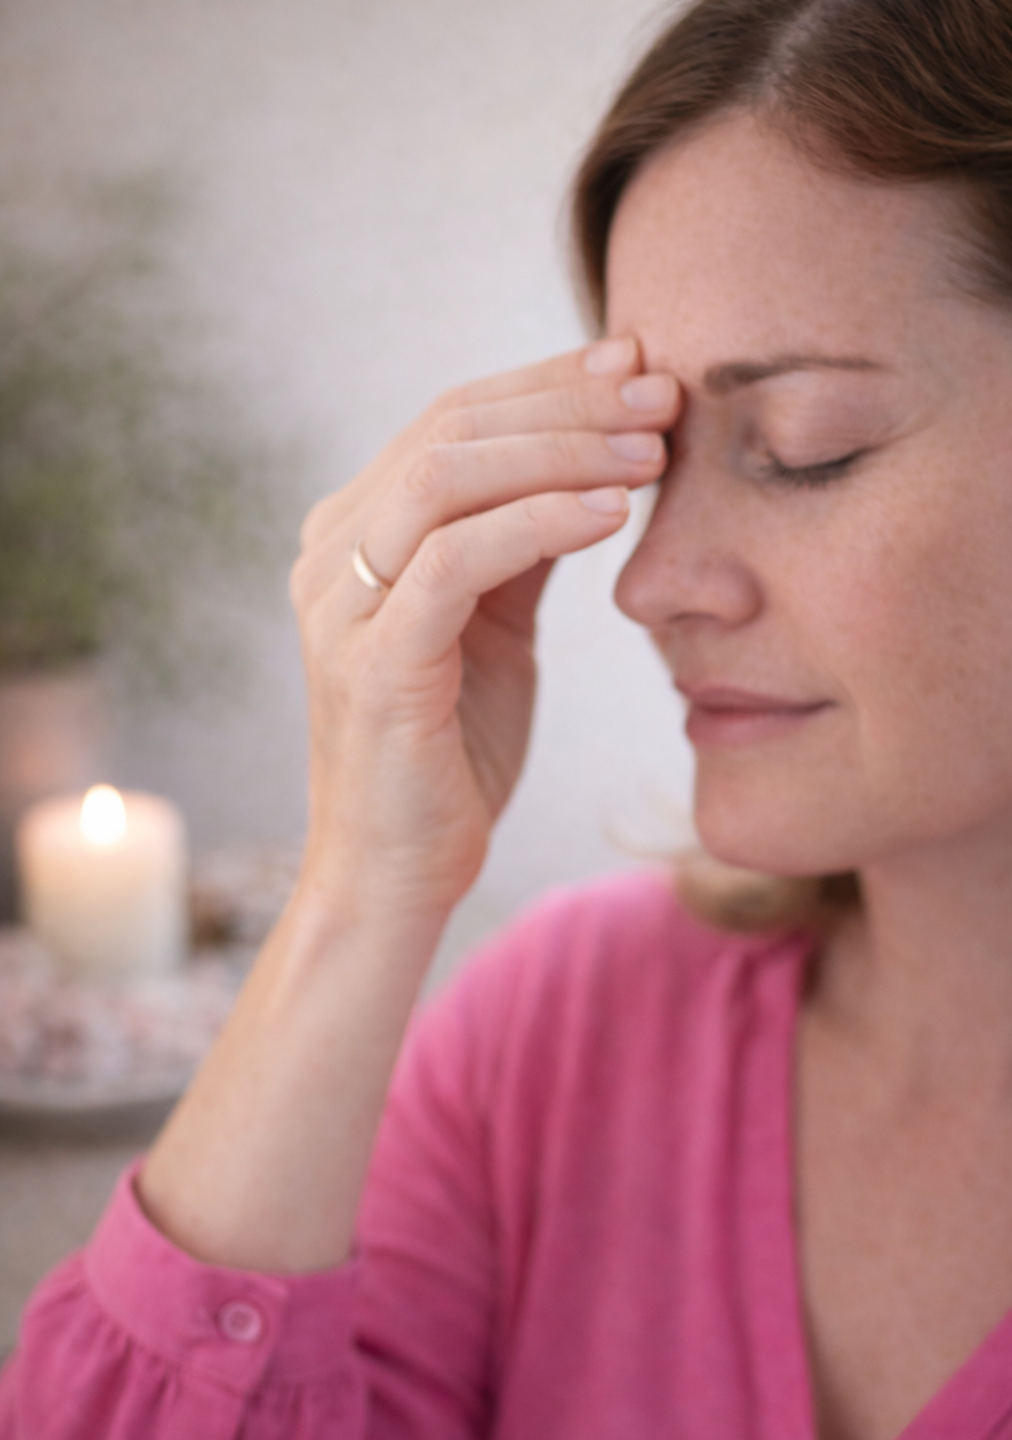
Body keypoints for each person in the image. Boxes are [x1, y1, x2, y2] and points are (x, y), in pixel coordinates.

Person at [4, 0, 1012, 1434]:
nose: (651, 584)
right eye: (652, 462)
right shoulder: (558, 1036)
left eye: (803, 452)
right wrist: (362, 886)